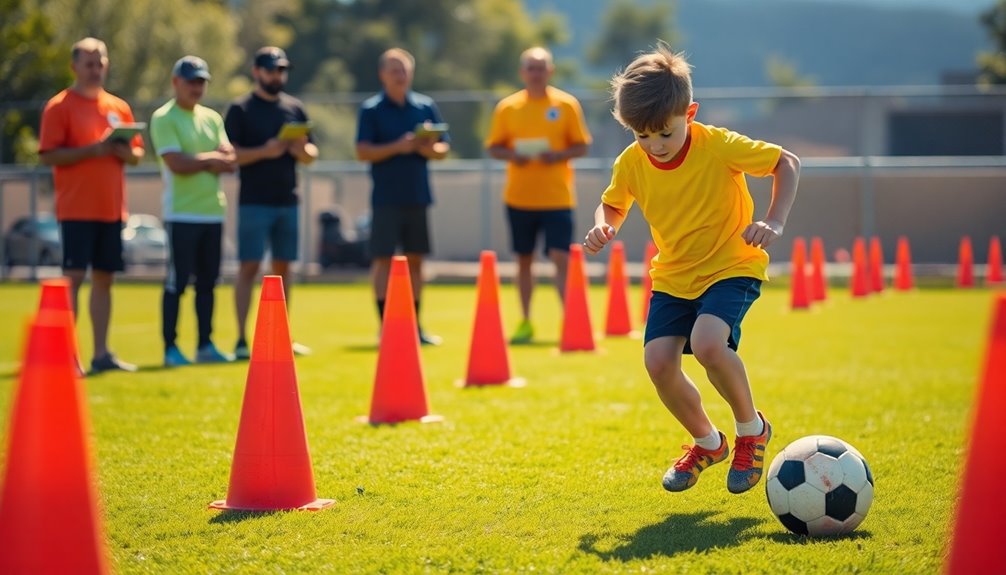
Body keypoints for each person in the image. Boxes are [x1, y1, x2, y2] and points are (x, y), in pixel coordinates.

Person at [583, 44, 801, 494]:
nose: (654, 146)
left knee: (707, 344)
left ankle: (750, 431)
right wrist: (603, 227)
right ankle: (707, 442)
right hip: (674, 276)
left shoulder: (716, 144)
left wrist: (774, 221)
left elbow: (786, 163)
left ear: (690, 112)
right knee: (658, 363)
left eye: (664, 133)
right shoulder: (632, 160)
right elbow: (613, 202)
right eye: (642, 136)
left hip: (731, 263)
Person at [38, 37, 145, 374]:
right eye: (89, 63)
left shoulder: (119, 107)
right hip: (76, 210)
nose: (96, 69)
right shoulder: (59, 106)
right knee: (72, 279)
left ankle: (101, 354)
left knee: (104, 279)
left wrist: (126, 152)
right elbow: (48, 154)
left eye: (100, 62)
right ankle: (65, 355)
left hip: (111, 210)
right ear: (74, 67)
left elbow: (138, 154)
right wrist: (94, 150)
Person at [486, 47, 591, 344]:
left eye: (541, 67)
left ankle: (571, 321)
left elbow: (582, 145)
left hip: (557, 197)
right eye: (531, 68)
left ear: (550, 71)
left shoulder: (566, 104)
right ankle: (525, 321)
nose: (536, 73)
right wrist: (512, 155)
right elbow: (494, 147)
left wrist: (557, 155)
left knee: (561, 258)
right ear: (522, 72)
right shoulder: (508, 107)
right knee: (523, 260)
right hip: (519, 198)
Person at [224, 47, 317, 360]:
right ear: (257, 72)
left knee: (283, 270)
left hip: (287, 200)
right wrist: (266, 150)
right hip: (254, 202)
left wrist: (299, 149)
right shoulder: (241, 109)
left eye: (281, 70)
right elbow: (232, 154)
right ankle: (240, 339)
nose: (277, 75)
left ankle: (282, 338)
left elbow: (311, 155)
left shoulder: (295, 107)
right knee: (249, 267)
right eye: (271, 70)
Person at [356, 48, 450, 345]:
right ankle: (385, 327)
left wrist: (425, 147)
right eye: (395, 70)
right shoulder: (371, 110)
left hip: (417, 196)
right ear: (383, 74)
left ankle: (415, 326)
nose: (401, 75)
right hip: (385, 198)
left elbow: (443, 148)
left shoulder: (425, 106)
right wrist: (398, 146)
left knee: (416, 262)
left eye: (405, 69)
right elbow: (362, 151)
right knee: (383, 261)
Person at [150, 56, 236, 367]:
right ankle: (170, 348)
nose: (197, 87)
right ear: (176, 82)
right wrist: (212, 159)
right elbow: (177, 163)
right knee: (177, 282)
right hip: (181, 214)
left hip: (213, 213)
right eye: (191, 81)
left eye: (201, 81)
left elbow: (229, 160)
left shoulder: (213, 118)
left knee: (208, 283)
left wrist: (210, 159)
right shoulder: (164, 117)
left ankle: (204, 345)